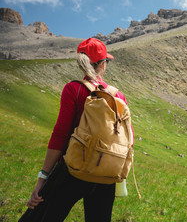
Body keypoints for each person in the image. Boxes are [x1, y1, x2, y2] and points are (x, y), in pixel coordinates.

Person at [26, 38, 130, 221]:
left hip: (71, 169)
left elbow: (60, 134)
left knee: (41, 217)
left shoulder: (73, 89)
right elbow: (129, 140)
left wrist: (43, 177)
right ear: (103, 64)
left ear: (81, 63)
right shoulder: (118, 96)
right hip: (106, 176)